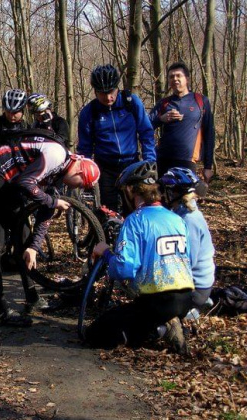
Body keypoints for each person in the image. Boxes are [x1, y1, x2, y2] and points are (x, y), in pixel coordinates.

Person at [0, 136, 101, 326]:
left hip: (15, 178)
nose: (75, 188)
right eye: (79, 184)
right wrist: (53, 202)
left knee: (25, 239)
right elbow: (26, 183)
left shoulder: (62, 172)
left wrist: (35, 247)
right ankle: (2, 311)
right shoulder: (57, 155)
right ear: (79, 169)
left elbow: (45, 214)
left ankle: (32, 297)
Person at [86, 161, 195, 354]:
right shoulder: (176, 218)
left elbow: (124, 269)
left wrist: (106, 253)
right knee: (134, 315)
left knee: (94, 334)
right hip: (186, 297)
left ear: (130, 190)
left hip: (156, 301)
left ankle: (159, 329)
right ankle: (166, 323)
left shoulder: (135, 220)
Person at [77, 64, 156, 213]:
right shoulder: (89, 112)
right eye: (102, 93)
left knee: (135, 209)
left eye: (111, 92)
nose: (108, 97)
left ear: (117, 88)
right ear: (95, 91)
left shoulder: (131, 103)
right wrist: (85, 174)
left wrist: (150, 160)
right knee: (109, 212)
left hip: (132, 164)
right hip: (105, 168)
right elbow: (85, 148)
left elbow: (146, 133)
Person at [158, 167, 215, 310]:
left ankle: (193, 306)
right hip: (191, 282)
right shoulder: (180, 213)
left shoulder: (189, 220)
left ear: (175, 193)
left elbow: (188, 261)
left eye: (167, 191)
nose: (164, 195)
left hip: (196, 287)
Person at [149, 62, 215, 184]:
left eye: (178, 76)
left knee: (185, 200)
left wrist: (208, 166)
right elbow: (146, 126)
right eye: (171, 77)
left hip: (187, 161)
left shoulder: (200, 101)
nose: (175, 79)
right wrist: (161, 119)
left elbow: (209, 134)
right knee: (162, 200)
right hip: (163, 160)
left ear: (187, 79)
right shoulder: (164, 103)